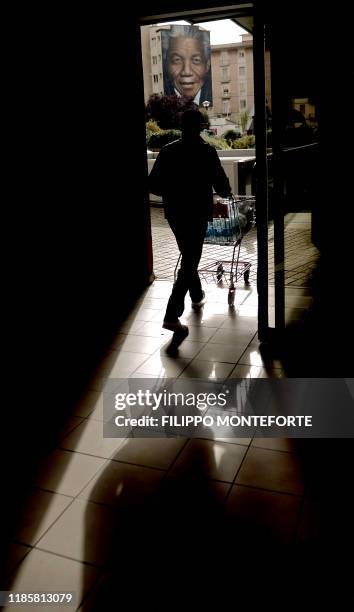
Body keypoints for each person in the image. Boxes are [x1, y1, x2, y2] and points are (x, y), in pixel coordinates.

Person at [149, 109, 232, 347]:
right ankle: (171, 315)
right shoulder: (207, 152)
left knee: (188, 254)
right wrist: (225, 194)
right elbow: (222, 185)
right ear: (200, 127)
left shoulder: (167, 151)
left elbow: (153, 184)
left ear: (180, 126)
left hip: (175, 213)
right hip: (197, 213)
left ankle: (196, 295)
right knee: (190, 259)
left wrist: (174, 192)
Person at [162, 25, 213, 106]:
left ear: (207, 65)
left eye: (196, 60)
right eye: (177, 60)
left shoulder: (209, 99)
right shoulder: (165, 102)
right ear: (167, 64)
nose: (186, 72)